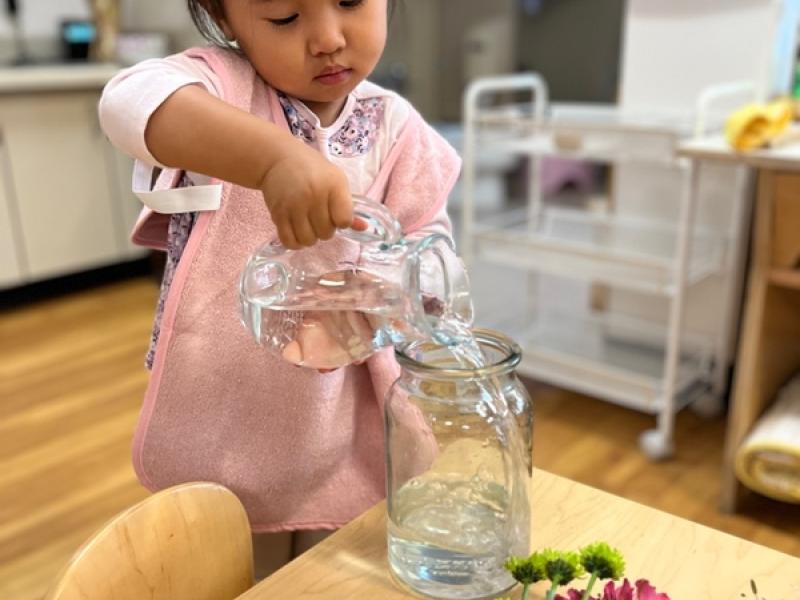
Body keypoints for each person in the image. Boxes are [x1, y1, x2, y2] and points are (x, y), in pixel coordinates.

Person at [99, 0, 460, 577]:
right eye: (283, 18)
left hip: (344, 402)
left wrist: (403, 285)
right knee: (238, 561)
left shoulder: (398, 132)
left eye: (349, 2)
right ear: (227, 23)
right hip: (223, 392)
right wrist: (272, 160)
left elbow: (429, 242)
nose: (327, 38)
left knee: (331, 558)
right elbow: (125, 102)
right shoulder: (221, 88)